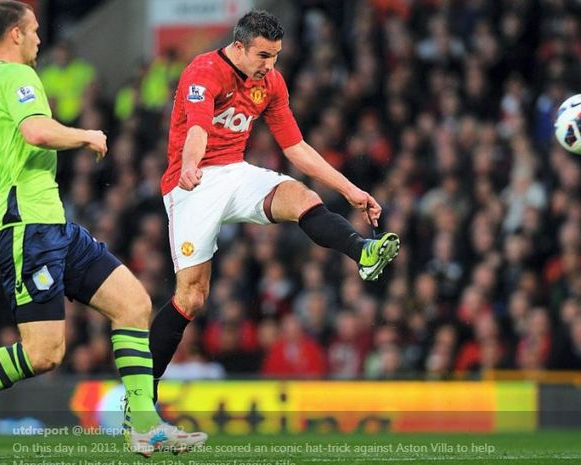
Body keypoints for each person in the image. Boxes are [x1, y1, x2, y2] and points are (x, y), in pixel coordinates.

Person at [0, 1, 205, 460]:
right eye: (32, 31)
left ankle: (145, 425)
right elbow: (36, 131)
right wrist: (86, 135)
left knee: (133, 303)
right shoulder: (16, 78)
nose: (38, 39)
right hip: (29, 232)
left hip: (50, 227)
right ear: (13, 34)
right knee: (44, 353)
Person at [150, 10, 400, 399]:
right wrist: (188, 165)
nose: (270, 65)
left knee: (304, 197)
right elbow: (197, 128)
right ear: (239, 46)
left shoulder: (271, 83)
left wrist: (351, 190)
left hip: (234, 172)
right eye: (263, 56)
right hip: (192, 184)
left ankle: (363, 251)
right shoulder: (203, 71)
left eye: (276, 55)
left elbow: (295, 147)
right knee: (192, 298)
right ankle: (139, 393)